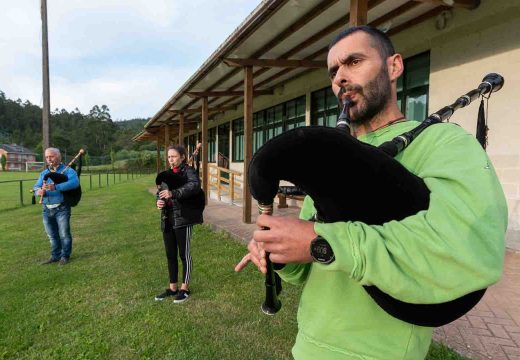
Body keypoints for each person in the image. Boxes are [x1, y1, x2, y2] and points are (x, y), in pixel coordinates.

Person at [235, 26, 507, 359]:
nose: (340, 78)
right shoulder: (334, 159)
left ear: (394, 67)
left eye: (354, 61)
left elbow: (467, 249)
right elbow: (304, 269)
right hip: (306, 347)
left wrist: (321, 243)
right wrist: (278, 252)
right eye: (334, 71)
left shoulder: (446, 144)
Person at [155, 145, 204, 303]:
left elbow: (194, 185)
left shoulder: (188, 171)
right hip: (167, 219)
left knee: (184, 255)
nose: (171, 159)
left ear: (182, 157)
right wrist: (159, 201)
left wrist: (174, 193)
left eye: (174, 156)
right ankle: (172, 287)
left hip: (183, 218)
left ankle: (185, 288)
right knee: (170, 255)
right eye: (169, 157)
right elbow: (160, 192)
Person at [34, 147, 80, 265]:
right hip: (46, 209)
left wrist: (56, 187)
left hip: (62, 208)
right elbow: (36, 187)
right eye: (47, 157)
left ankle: (65, 256)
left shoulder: (68, 171)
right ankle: (55, 256)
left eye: (51, 156)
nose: (49, 159)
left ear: (59, 157)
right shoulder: (44, 173)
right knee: (52, 235)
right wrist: (38, 191)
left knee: (64, 234)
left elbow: (75, 183)